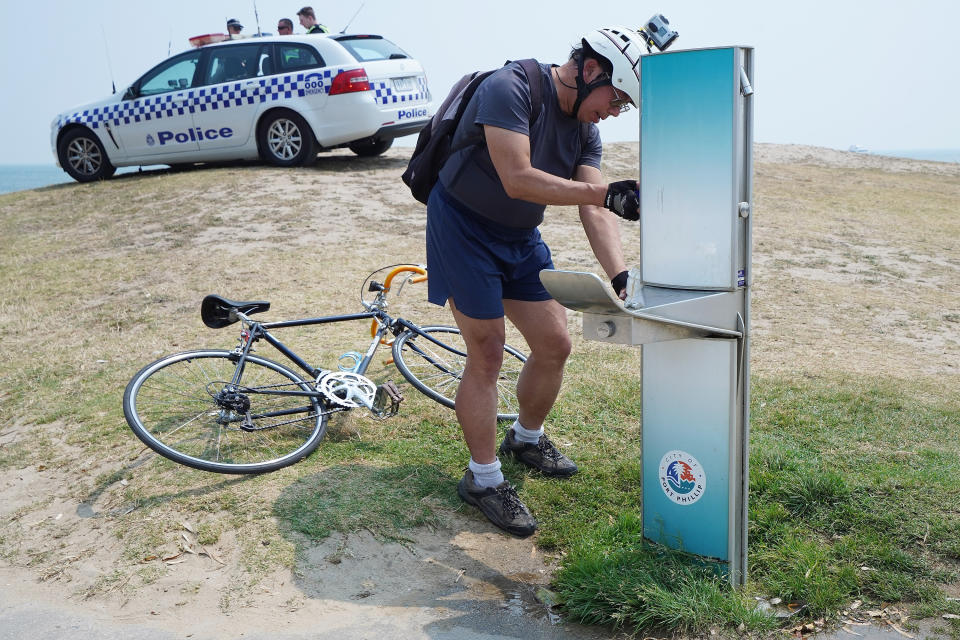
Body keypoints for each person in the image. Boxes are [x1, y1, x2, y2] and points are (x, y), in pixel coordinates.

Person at [424, 26, 646, 537]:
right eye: (617, 99)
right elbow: (517, 178)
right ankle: (482, 479)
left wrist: (621, 275)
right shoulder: (512, 87)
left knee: (555, 343)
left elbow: (597, 204)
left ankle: (525, 439)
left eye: (625, 108)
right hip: (462, 227)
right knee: (488, 352)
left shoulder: (586, 130)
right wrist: (604, 194)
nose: (616, 112)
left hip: (519, 237)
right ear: (591, 70)